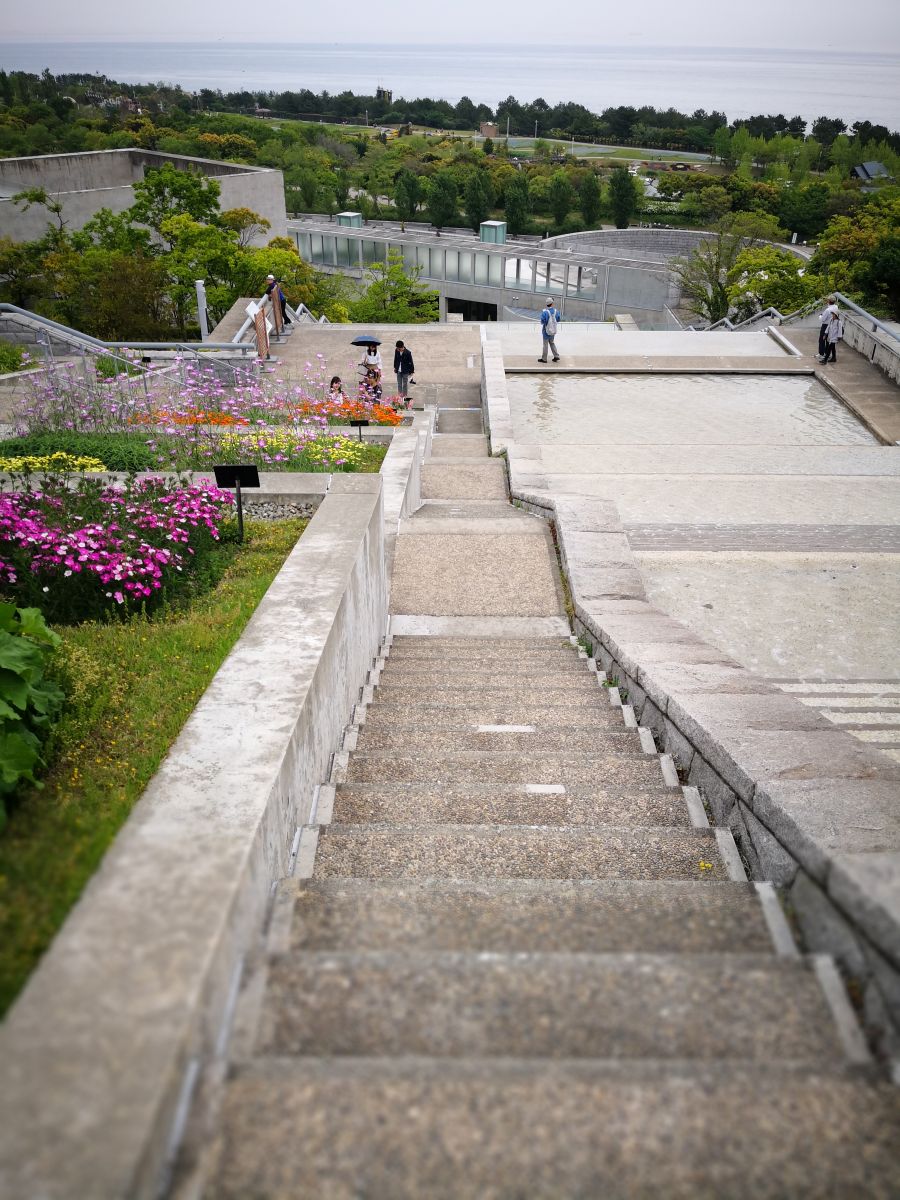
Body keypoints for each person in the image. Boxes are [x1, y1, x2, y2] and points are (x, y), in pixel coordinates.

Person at [539, 296, 561, 363]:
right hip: (553, 330)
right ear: (552, 303)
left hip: (546, 331)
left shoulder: (545, 312)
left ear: (547, 304)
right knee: (552, 343)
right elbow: (558, 319)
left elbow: (542, 321)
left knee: (545, 345)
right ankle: (556, 356)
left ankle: (544, 359)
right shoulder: (556, 311)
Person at [817, 296, 838, 360]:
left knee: (822, 340)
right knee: (828, 340)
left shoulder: (828, 310)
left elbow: (822, 319)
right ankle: (827, 354)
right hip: (832, 325)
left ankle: (821, 354)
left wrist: (820, 316)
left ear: (828, 301)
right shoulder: (836, 307)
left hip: (826, 325)